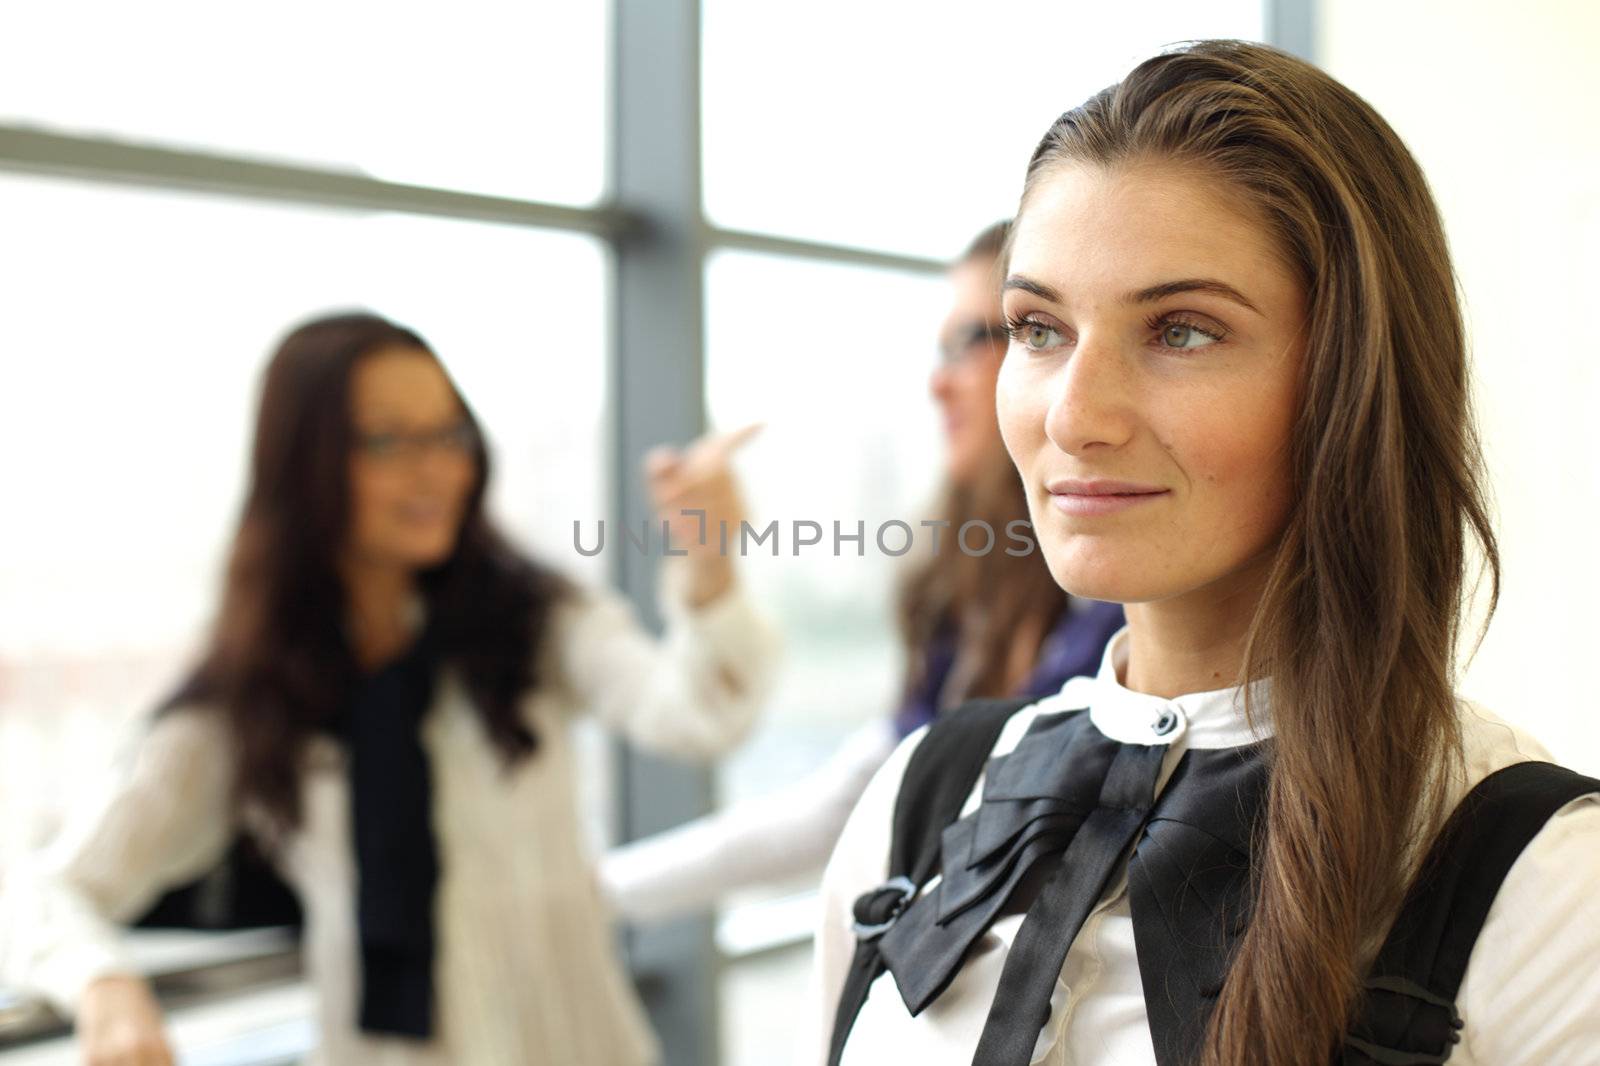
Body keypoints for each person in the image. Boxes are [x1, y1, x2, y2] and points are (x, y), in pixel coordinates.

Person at [811, 40, 1600, 1066]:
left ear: (1351, 379)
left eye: (1182, 330)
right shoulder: (925, 793)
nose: (1074, 415)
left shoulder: (1541, 884)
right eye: (1037, 327)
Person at [0, 312, 781, 1066]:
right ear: (307, 462)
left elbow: (699, 714)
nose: (436, 467)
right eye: (388, 440)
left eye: (448, 434)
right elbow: (48, 893)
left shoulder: (531, 621)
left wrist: (706, 565)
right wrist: (106, 988)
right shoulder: (253, 700)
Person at [599, 225, 1122, 925]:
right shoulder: (965, 586)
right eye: (942, 350)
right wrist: (592, 895)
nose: (938, 383)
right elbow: (856, 801)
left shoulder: (1132, 605)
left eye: (974, 341)